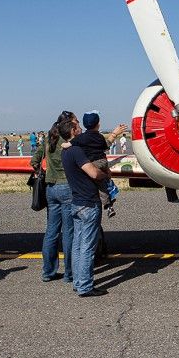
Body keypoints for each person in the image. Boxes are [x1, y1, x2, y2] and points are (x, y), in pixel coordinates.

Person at [58, 117, 108, 297]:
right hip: (88, 203)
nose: (81, 129)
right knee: (87, 246)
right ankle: (85, 286)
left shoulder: (66, 152)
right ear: (73, 131)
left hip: (76, 202)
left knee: (77, 245)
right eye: (78, 127)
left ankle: (78, 282)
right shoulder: (77, 151)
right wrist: (105, 175)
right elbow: (93, 172)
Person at [31, 111, 76, 283]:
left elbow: (34, 161)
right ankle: (69, 273)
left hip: (50, 188)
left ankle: (48, 272)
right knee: (68, 232)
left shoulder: (49, 139)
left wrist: (42, 172)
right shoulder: (68, 141)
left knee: (51, 232)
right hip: (67, 188)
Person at [70, 111, 126, 217]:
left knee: (101, 184)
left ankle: (108, 203)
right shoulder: (99, 136)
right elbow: (105, 146)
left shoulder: (80, 139)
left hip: (89, 173)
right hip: (101, 164)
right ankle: (109, 202)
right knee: (104, 183)